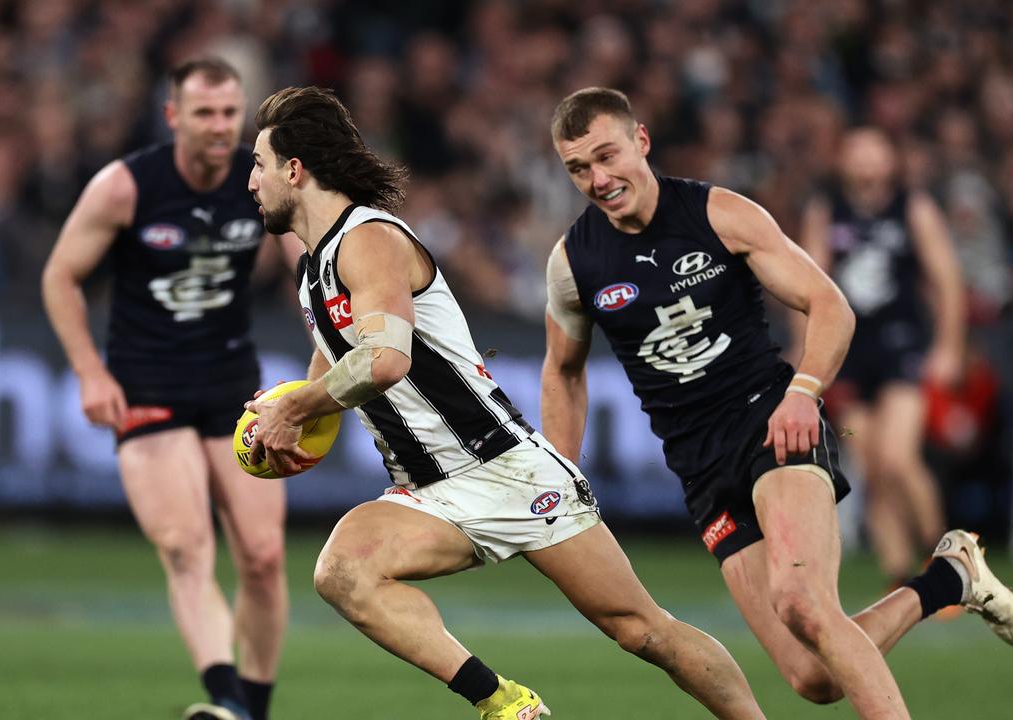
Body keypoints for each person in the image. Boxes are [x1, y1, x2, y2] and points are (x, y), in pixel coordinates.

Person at [243, 85, 766, 720]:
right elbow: (336, 360)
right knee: (343, 573)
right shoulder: (315, 268)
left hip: (503, 466)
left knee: (642, 631)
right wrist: (303, 422)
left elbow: (384, 360)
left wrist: (293, 410)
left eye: (259, 163)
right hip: (426, 488)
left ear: (294, 170)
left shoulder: (368, 239)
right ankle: (504, 703)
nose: (252, 181)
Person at [539, 87, 1013, 720]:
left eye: (607, 156)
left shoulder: (720, 213)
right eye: (578, 168)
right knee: (811, 677)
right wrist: (562, 474)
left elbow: (830, 304)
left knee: (802, 600)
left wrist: (803, 392)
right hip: (699, 466)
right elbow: (563, 370)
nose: (598, 179)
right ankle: (951, 577)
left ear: (641, 141)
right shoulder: (573, 262)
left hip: (772, 421)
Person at [42, 58, 299, 720]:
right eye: (204, 113)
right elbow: (61, 276)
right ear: (173, 116)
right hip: (146, 383)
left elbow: (312, 268)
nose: (219, 127)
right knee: (187, 548)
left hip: (231, 385)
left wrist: (324, 363)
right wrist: (89, 371)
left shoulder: (262, 179)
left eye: (229, 113)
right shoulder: (125, 187)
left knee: (266, 558)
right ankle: (225, 700)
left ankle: (250, 712)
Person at [799, 128, 966, 586]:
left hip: (902, 349)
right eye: (857, 153)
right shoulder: (826, 210)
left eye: (876, 152)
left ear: (892, 161)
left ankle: (947, 560)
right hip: (849, 356)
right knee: (870, 466)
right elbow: (808, 286)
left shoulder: (913, 207)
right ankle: (900, 576)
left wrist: (949, 346)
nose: (868, 163)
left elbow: (948, 279)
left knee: (897, 458)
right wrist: (807, 360)